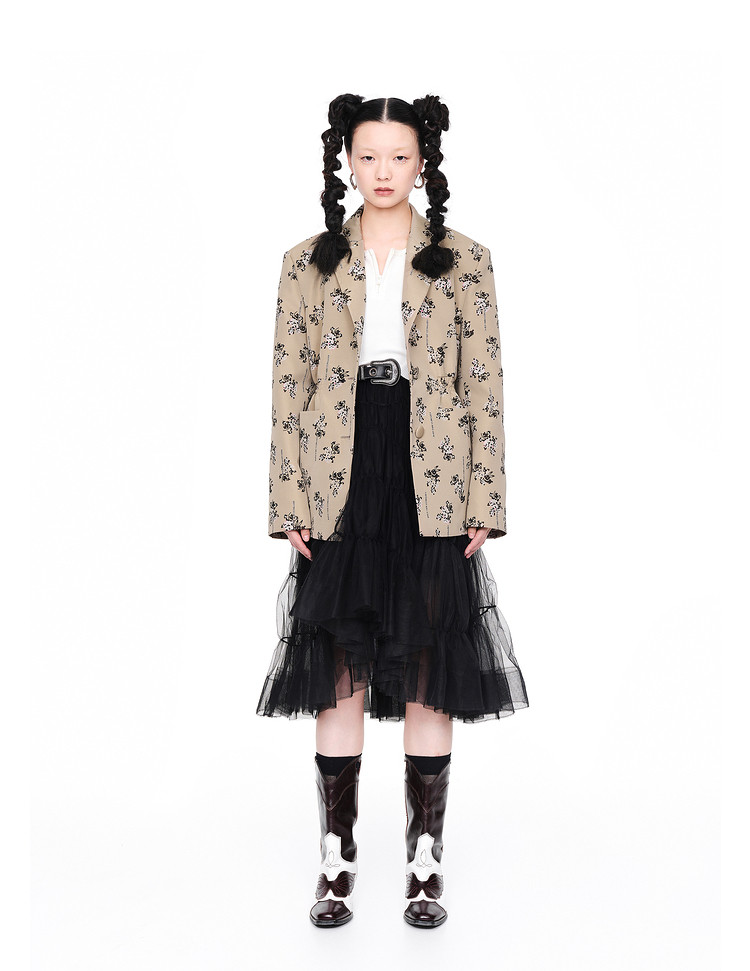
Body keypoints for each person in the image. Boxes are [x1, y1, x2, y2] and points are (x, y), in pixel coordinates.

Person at [256, 93, 529, 929]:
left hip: (432, 471)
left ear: (423, 162)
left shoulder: (466, 260)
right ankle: (336, 860)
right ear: (346, 160)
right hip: (339, 468)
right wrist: (287, 499)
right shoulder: (306, 262)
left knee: (427, 664)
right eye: (368, 156)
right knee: (338, 663)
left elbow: (485, 384)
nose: (383, 172)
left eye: (399, 157)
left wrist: (486, 498)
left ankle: (424, 863)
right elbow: (288, 386)